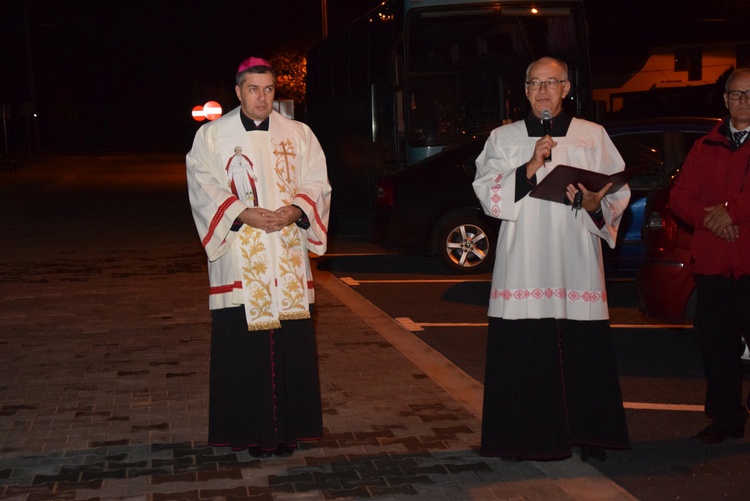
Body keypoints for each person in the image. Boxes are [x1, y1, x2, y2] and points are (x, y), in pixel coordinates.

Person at [472, 56, 631, 462]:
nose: (543, 91)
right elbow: (487, 193)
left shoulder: (592, 136)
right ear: (525, 90)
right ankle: (521, 437)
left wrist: (598, 201)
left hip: (575, 254)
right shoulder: (504, 137)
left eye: (551, 83)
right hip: (523, 257)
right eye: (535, 84)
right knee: (524, 350)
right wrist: (529, 167)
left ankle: (589, 435)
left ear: (566, 88)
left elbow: (615, 191)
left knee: (583, 347)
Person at [186, 56, 332, 458]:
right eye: (253, 89)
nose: (262, 97)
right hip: (240, 254)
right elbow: (201, 183)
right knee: (244, 347)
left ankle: (289, 432)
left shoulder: (299, 133)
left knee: (289, 346)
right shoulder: (213, 136)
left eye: (268, 89)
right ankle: (248, 433)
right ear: (238, 92)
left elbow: (318, 180)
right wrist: (239, 212)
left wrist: (296, 209)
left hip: (285, 252)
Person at [670, 67, 750, 444]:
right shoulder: (705, 146)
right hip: (714, 266)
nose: (743, 101)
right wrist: (713, 219)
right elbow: (679, 198)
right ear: (725, 100)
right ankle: (725, 420)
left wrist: (731, 212)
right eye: (736, 94)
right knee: (718, 350)